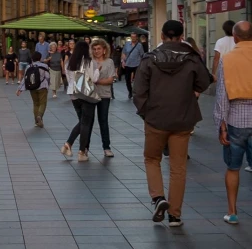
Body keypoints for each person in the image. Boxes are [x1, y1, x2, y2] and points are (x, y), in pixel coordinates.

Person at [133, 20, 213, 227]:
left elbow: (139, 90)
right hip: (183, 119)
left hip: (155, 118)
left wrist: (145, 113)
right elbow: (205, 81)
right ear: (181, 36)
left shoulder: (149, 58)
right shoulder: (192, 58)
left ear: (161, 36)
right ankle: (175, 215)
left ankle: (158, 198)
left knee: (152, 159)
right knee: (178, 167)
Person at [214, 20, 252, 225]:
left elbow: (222, 95)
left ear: (235, 37)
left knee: (233, 167)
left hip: (236, 118)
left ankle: (232, 211)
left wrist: (221, 125)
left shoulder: (227, 60)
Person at [62, 40, 100, 162]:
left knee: (82, 121)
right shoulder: (89, 62)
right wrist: (98, 69)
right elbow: (94, 78)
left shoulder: (69, 62)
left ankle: (68, 144)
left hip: (73, 95)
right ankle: (81, 152)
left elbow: (68, 78)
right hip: (86, 94)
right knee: (85, 123)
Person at [90, 38, 117, 157]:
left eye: (99, 49)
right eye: (94, 49)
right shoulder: (90, 61)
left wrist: (97, 81)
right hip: (90, 94)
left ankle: (106, 147)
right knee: (88, 122)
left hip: (104, 95)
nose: (97, 51)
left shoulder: (109, 62)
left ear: (104, 50)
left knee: (103, 121)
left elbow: (111, 79)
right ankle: (85, 148)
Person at [17, 50, 49, 128]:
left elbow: (25, 78)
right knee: (43, 103)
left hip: (32, 87)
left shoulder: (28, 67)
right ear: (40, 58)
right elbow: (47, 77)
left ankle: (36, 121)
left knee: (36, 103)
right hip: (42, 87)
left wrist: (20, 89)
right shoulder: (44, 66)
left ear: (32, 58)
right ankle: (40, 116)